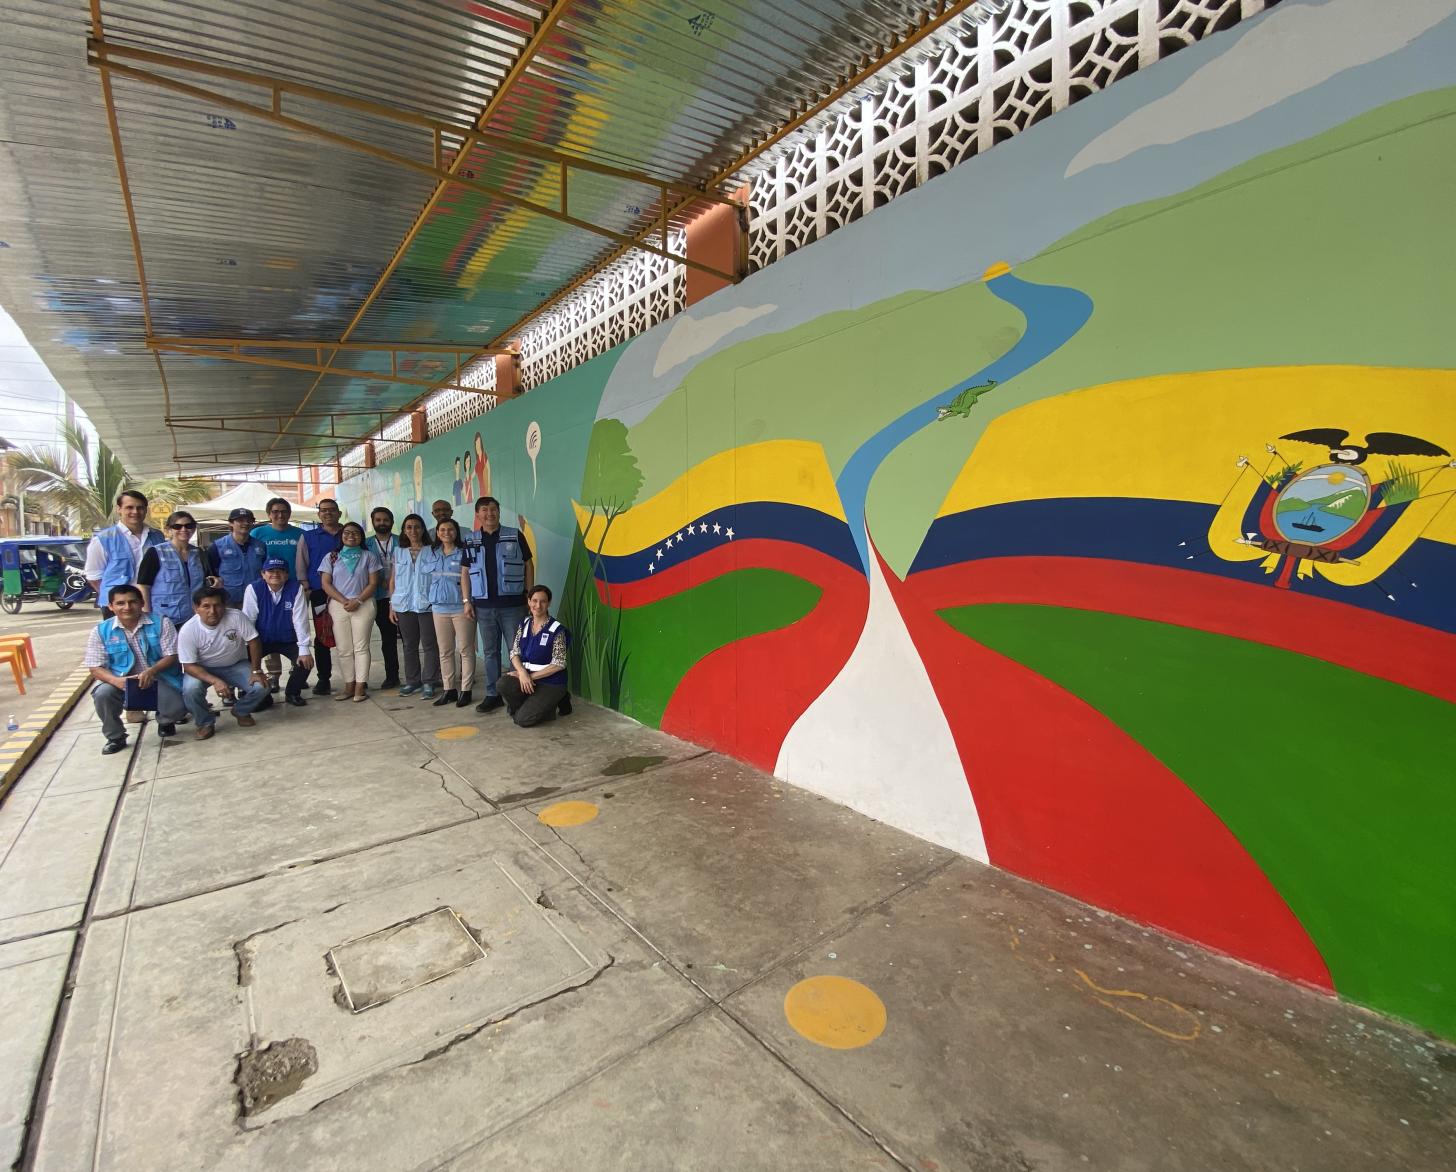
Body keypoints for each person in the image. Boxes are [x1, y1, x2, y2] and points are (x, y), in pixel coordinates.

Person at [83, 583, 186, 754]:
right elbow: (95, 667)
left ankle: (165, 720)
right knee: (103, 694)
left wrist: (151, 671)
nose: (127, 607)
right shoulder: (101, 631)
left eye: (132, 602)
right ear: (111, 606)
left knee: (178, 709)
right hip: (123, 680)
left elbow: (172, 656)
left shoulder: (161, 622)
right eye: (120, 603)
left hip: (158, 677)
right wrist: (117, 681)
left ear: (141, 603)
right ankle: (115, 736)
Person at [462, 495, 533, 714]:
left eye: (493, 509)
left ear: (499, 512)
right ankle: (492, 695)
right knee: (491, 652)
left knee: (516, 651)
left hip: (513, 605)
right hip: (483, 607)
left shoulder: (514, 535)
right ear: (477, 515)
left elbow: (528, 564)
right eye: (484, 510)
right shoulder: (471, 540)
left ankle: (515, 695)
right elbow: (464, 572)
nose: (489, 514)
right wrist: (467, 601)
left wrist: (530, 596)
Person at [177, 585, 270, 740]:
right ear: (196, 608)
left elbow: (253, 641)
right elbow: (188, 665)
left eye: (217, 605)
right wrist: (215, 681)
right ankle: (205, 723)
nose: (212, 611)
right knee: (190, 689)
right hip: (203, 669)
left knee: (262, 686)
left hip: (235, 665)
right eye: (206, 606)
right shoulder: (188, 630)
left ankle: (240, 711)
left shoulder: (236, 616)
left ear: (224, 606)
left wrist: (256, 671)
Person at [320, 522, 381, 702]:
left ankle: (360, 687)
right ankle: (349, 685)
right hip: (339, 605)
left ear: (361, 536)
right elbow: (325, 583)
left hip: (364, 604)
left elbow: (373, 583)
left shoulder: (368, 556)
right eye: (347, 533)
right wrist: (344, 600)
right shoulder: (331, 557)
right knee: (344, 648)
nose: (351, 536)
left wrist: (358, 600)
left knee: (361, 647)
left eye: (356, 533)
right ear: (341, 536)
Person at [241, 558, 314, 708]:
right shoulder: (254, 589)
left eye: (280, 571)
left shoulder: (295, 588)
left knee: (305, 662)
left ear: (287, 575)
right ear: (263, 574)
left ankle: (292, 693)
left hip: (287, 638)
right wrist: (246, 646)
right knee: (244, 663)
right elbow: (248, 620)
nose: (275, 574)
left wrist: (304, 648)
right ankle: (251, 692)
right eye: (271, 571)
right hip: (261, 639)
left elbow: (300, 620)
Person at [498, 584, 573, 727]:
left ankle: (553, 701)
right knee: (503, 684)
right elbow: (514, 652)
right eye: (534, 600)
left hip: (551, 682)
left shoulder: (557, 630)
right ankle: (535, 704)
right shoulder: (524, 623)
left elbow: (559, 663)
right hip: (528, 677)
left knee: (522, 720)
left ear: (549, 603)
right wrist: (521, 673)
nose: (538, 605)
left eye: (543, 601)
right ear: (529, 601)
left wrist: (529, 677)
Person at [251, 498, 304, 692]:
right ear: (269, 514)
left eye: (284, 511)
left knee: (295, 625)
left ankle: (296, 670)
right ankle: (273, 676)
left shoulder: (300, 534)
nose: (280, 515)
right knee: (268, 629)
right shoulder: (258, 533)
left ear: (289, 514)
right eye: (275, 511)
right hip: (268, 587)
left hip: (293, 587)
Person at [422, 518, 474, 708]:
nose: (446, 533)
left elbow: (469, 578)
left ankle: (466, 690)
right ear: (437, 532)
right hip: (439, 608)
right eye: (442, 529)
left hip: (461, 607)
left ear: (456, 532)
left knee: (466, 650)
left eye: (450, 529)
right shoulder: (432, 553)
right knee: (445, 651)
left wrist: (468, 602)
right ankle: (449, 689)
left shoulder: (464, 553)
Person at [84, 489, 166, 608]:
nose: (135, 511)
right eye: (129, 507)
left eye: (140, 507)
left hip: (152, 601)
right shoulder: (103, 539)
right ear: (119, 509)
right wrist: (113, 599)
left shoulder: (157, 536)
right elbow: (94, 577)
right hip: (118, 606)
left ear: (146, 510)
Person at [388, 513, 440, 698]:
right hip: (403, 605)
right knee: (409, 645)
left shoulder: (433, 550)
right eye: (408, 527)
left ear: (423, 529)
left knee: (429, 645)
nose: (413, 531)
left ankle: (430, 681)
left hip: (427, 604)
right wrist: (391, 605)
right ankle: (412, 681)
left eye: (417, 527)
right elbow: (393, 580)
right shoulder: (398, 551)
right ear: (403, 531)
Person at [297, 499, 343, 695]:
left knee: (347, 636)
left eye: (332, 510)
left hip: (346, 594)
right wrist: (305, 586)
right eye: (323, 511)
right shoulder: (308, 537)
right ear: (319, 515)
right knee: (323, 635)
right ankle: (324, 679)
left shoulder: (348, 532)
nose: (328, 514)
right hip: (319, 593)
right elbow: (301, 563)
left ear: (339, 513)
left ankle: (356, 678)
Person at [137, 511, 206, 630]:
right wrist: (147, 616)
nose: (184, 529)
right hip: (166, 618)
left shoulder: (199, 553)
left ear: (194, 529)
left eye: (188, 526)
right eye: (177, 526)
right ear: (169, 529)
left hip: (196, 617)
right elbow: (144, 586)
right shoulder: (155, 552)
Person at [365, 507, 401, 689]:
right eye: (378, 520)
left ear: (392, 522)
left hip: (400, 596)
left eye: (385, 520)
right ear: (373, 522)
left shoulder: (401, 541)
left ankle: (403, 676)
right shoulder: (365, 543)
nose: (382, 523)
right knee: (378, 639)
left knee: (399, 640)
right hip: (376, 596)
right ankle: (386, 676)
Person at [205, 508, 267, 605]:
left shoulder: (260, 546)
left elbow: (265, 570)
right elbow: (210, 573)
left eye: (249, 520)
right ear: (231, 523)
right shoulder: (218, 546)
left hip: (256, 599)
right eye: (240, 520)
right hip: (228, 601)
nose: (245, 523)